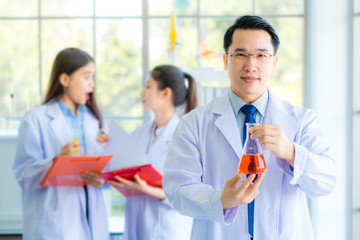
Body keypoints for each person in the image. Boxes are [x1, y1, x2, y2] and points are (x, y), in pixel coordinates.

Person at [162, 15, 338, 240]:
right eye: (241, 54)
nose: (251, 65)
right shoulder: (194, 123)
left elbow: (327, 181)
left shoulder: (301, 120)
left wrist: (291, 152)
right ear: (225, 60)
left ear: (274, 62)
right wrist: (222, 200)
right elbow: (177, 189)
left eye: (261, 55)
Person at [13, 48, 109, 240]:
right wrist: (57, 160)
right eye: (87, 77)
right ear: (65, 80)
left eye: (93, 78)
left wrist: (103, 180)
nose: (92, 85)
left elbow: (105, 171)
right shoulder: (35, 119)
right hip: (55, 226)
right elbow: (24, 175)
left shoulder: (95, 121)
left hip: (92, 222)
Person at [97, 65, 198, 240]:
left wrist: (147, 189)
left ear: (165, 93)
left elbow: (187, 193)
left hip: (168, 230)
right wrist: (109, 146)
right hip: (136, 226)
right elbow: (122, 168)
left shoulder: (184, 135)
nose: (142, 93)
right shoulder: (139, 133)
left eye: (148, 86)